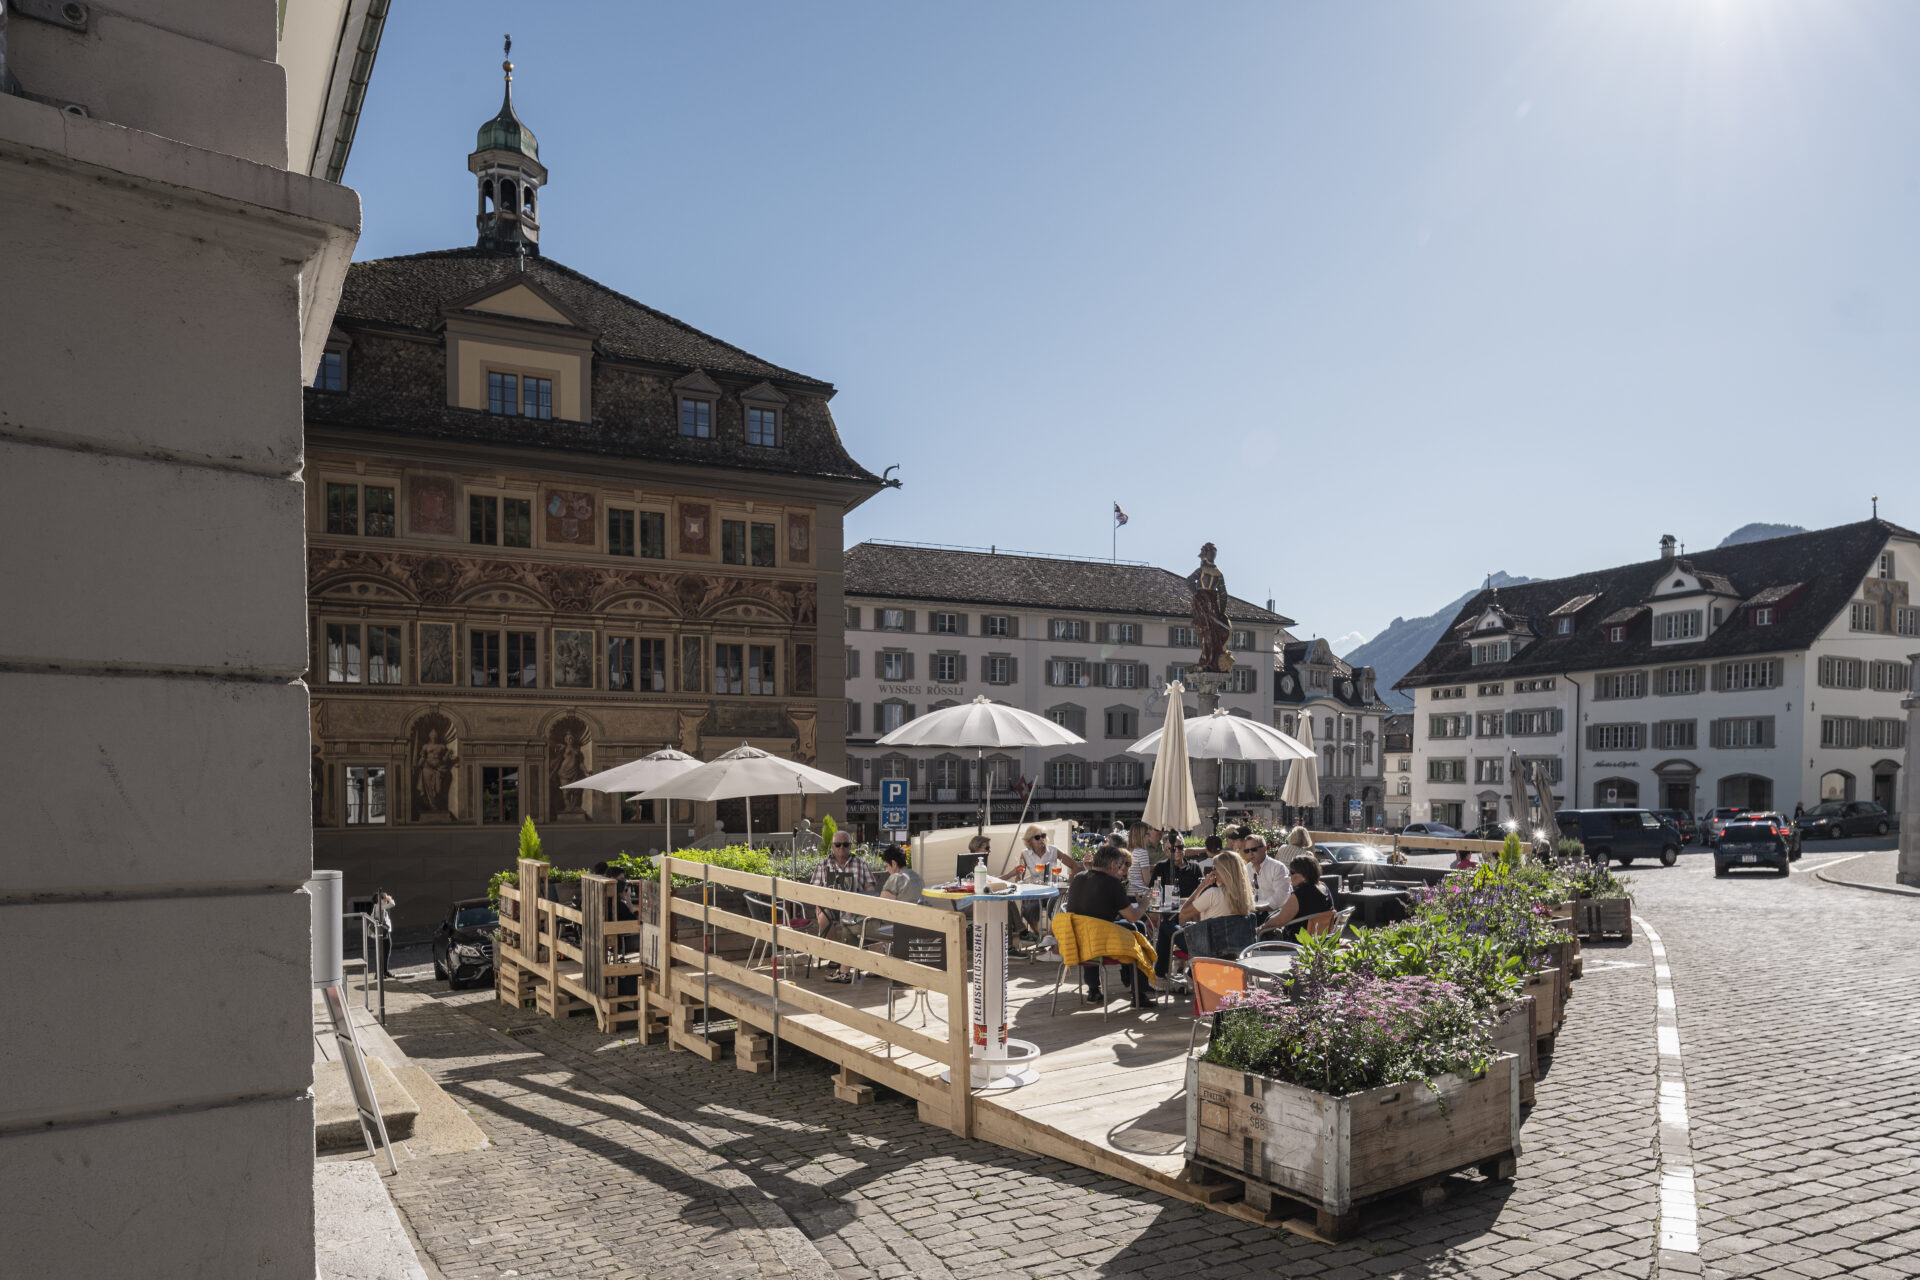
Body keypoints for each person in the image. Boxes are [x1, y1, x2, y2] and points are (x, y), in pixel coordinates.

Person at [1062, 846, 1152, 1007]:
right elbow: (1132, 916)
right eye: (1119, 866)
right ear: (1112, 865)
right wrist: (1144, 905)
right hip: (1101, 944)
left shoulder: (1078, 878)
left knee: (1132, 927)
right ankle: (1139, 992)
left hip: (1077, 942)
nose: (1120, 870)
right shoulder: (1112, 883)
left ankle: (1093, 989)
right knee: (1138, 927)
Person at [812, 833, 876, 982]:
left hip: (855, 908)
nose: (842, 848)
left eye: (845, 844)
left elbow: (870, 888)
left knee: (857, 919)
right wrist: (820, 902)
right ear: (832, 846)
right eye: (838, 844)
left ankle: (847, 964)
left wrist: (862, 899)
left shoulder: (861, 864)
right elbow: (814, 889)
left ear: (851, 846)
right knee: (823, 918)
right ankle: (837, 956)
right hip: (830, 907)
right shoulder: (823, 865)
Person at [1148, 838, 1207, 977]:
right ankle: (1180, 967)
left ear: (1185, 848)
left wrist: (1182, 902)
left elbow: (1202, 895)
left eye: (1180, 847)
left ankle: (1162, 973)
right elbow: (1153, 893)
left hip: (1191, 915)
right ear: (1166, 851)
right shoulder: (1161, 867)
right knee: (1166, 924)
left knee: (1168, 925)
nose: (1178, 851)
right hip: (1168, 913)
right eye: (1173, 849)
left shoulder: (1195, 868)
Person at [1256, 855, 1333, 937]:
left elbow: (1279, 920)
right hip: (1321, 940)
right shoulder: (1324, 887)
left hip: (1297, 944)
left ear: (1304, 873)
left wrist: (1260, 928)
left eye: (1292, 872)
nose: (1289, 875)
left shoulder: (1302, 892)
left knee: (1263, 934)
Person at [1179, 849, 1255, 925]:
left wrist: (1202, 885)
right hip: (1235, 936)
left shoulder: (1213, 893)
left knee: (1169, 925)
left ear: (1224, 872)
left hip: (1211, 936)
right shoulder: (1246, 895)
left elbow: (1184, 912)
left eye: (1215, 868)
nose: (1213, 872)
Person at [1242, 835, 1292, 917]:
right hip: (1255, 913)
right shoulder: (1247, 868)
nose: (1250, 853)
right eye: (1247, 851)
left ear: (1265, 848)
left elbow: (1281, 896)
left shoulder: (1278, 867)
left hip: (1276, 914)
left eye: (1254, 849)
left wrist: (1258, 908)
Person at [372, 890, 397, 978]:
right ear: (380, 899)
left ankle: (384, 971)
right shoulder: (379, 906)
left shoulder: (378, 907)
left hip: (384, 932)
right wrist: (390, 898)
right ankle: (379, 973)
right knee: (382, 953)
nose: (386, 900)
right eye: (384, 898)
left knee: (386, 953)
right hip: (382, 933)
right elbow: (392, 904)